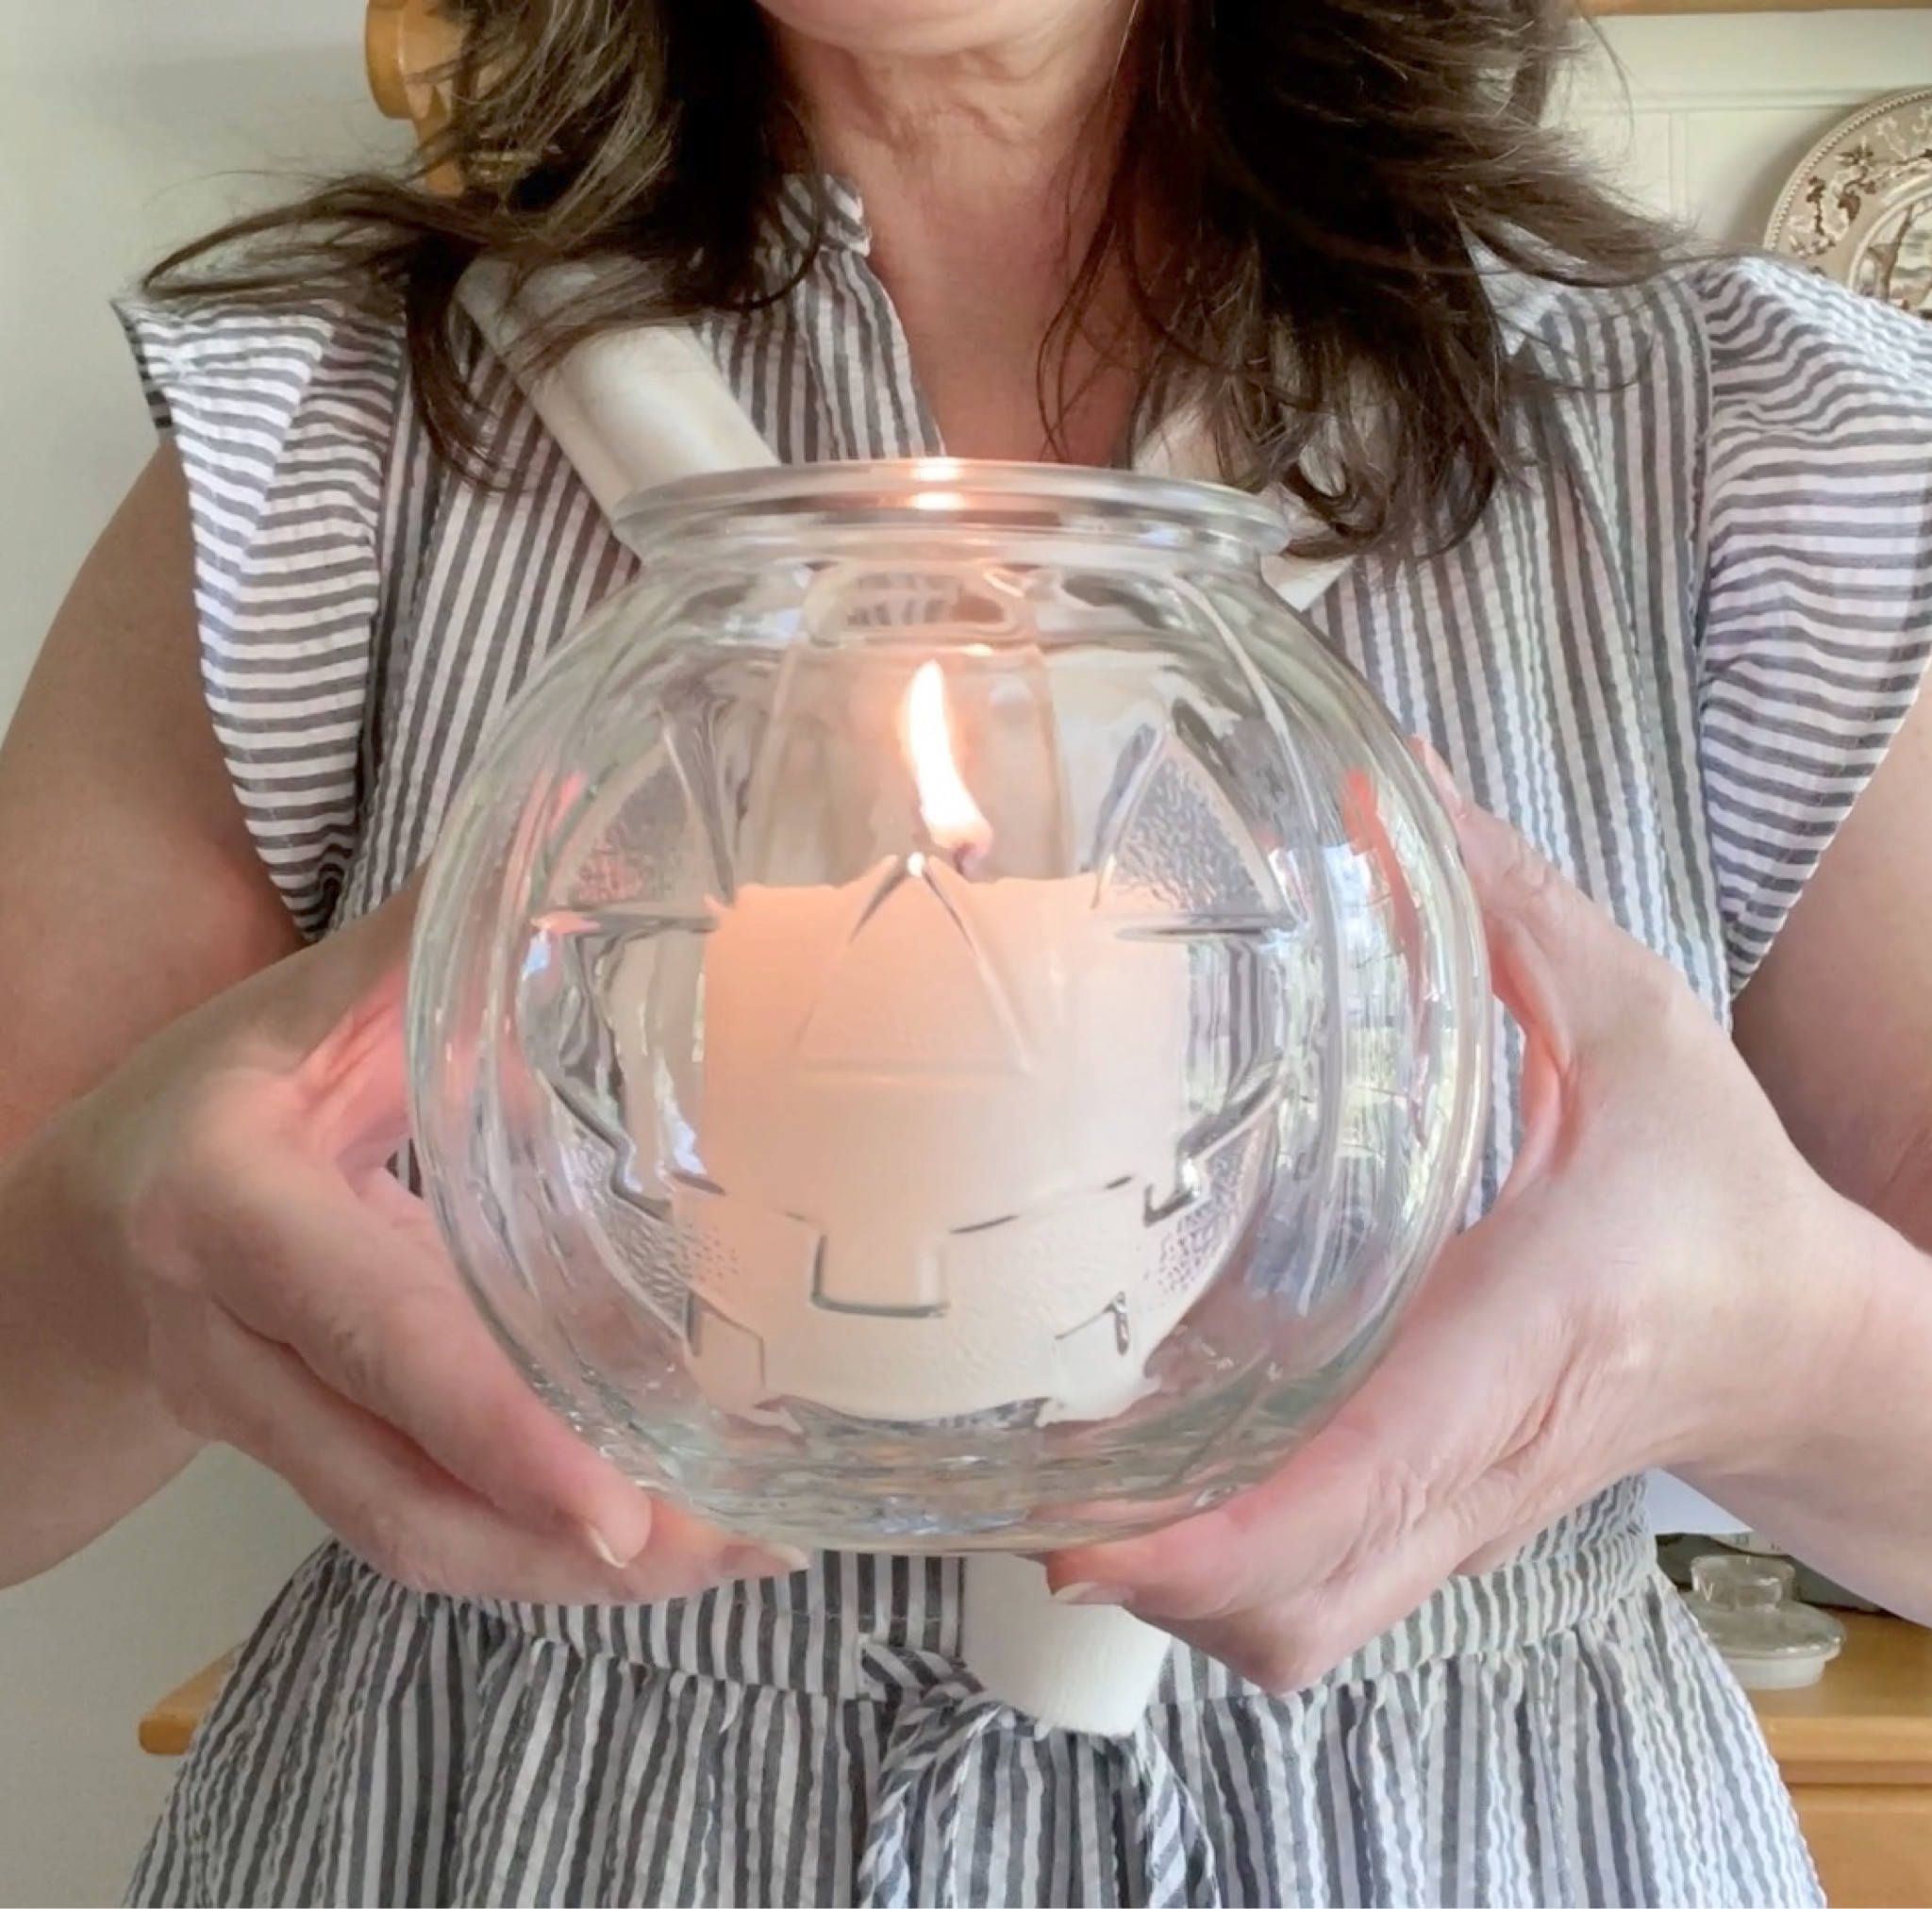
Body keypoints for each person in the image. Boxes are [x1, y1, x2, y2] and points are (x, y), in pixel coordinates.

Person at [3, 0, 1930, 1901]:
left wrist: (1781, 1347)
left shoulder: (1727, 439)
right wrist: (106, 1258)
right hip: (500, 1827)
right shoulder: (335, 434)